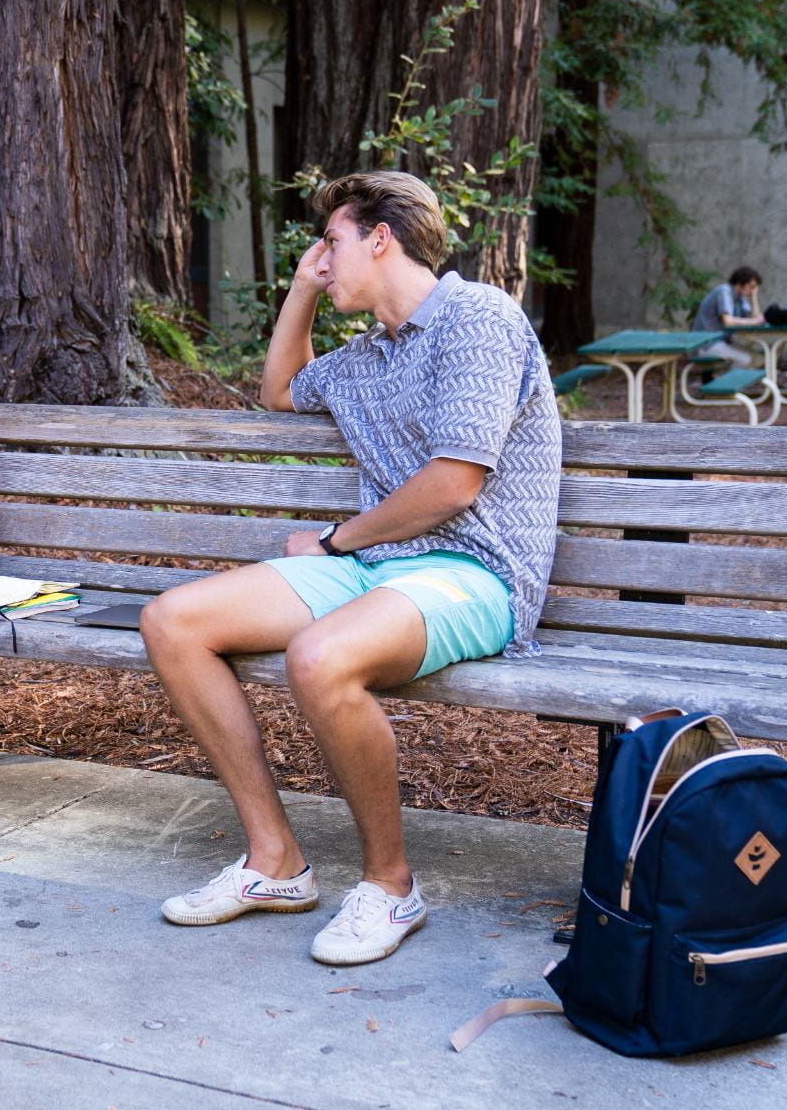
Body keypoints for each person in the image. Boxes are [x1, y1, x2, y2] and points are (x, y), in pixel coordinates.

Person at [139, 171, 561, 967]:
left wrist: (336, 540)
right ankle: (275, 862)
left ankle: (391, 885)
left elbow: (455, 481)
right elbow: (280, 390)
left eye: (331, 242)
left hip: (476, 571)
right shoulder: (367, 355)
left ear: (380, 237)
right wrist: (303, 289)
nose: (320, 258)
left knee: (320, 658)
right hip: (380, 566)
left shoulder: (479, 319)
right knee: (174, 621)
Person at [690, 266, 765, 368]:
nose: (752, 290)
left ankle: (723, 380)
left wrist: (754, 297)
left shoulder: (740, 299)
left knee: (758, 358)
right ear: (740, 282)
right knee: (745, 359)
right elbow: (727, 321)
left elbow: (755, 318)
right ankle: (724, 383)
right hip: (705, 344)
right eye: (751, 287)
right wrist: (754, 321)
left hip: (722, 342)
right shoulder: (724, 291)